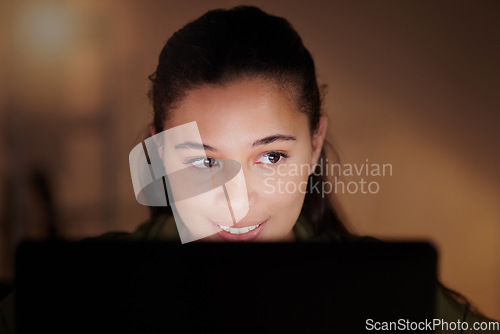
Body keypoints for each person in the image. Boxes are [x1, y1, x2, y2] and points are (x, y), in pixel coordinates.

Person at [1, 5, 498, 333]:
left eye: (271, 156)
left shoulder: (391, 299)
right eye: (201, 161)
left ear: (314, 144)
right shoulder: (83, 292)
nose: (236, 201)